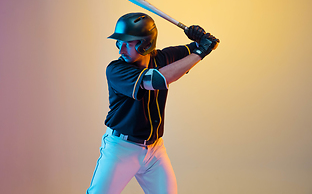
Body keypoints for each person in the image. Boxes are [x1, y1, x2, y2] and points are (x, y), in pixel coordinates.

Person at [87, 12, 219, 194]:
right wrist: (201, 51)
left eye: (128, 43)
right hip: (121, 149)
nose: (121, 49)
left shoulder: (163, 57)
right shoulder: (116, 69)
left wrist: (201, 39)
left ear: (145, 44)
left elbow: (200, 49)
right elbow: (158, 79)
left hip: (155, 150)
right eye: (119, 42)